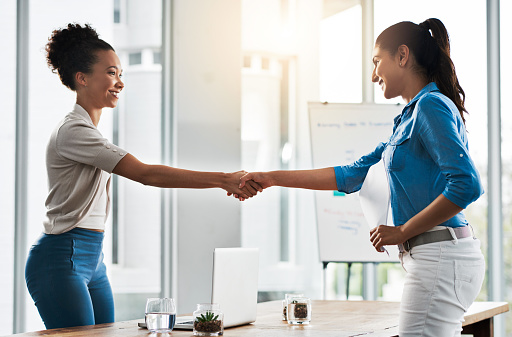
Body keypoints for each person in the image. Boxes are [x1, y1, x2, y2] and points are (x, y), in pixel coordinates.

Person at [240, 18, 485, 336]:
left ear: (402, 55)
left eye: (376, 62)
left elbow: (467, 184)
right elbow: (351, 175)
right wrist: (269, 177)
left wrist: (401, 231)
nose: (373, 75)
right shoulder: (411, 115)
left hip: (438, 257)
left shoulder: (430, 107)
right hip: (438, 257)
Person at [25, 23, 262, 329]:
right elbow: (146, 174)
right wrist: (223, 179)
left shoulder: (87, 131)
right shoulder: (73, 131)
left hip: (93, 259)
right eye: (111, 72)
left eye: (120, 74)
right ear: (82, 78)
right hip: (61, 258)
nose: (120, 82)